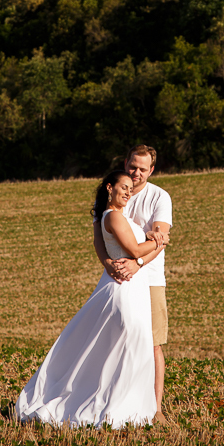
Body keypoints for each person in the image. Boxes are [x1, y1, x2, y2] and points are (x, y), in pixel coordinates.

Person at [16, 170, 166, 428]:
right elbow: (134, 250)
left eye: (131, 188)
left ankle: (134, 407)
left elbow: (137, 246)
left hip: (136, 287)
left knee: (134, 347)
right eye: (124, 187)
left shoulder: (122, 217)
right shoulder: (114, 216)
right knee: (130, 344)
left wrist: (150, 240)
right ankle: (113, 408)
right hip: (124, 290)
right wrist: (159, 243)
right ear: (110, 188)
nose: (129, 192)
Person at [93, 144, 172, 425]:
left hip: (149, 280)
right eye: (132, 166)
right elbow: (98, 239)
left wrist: (137, 264)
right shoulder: (115, 195)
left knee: (151, 344)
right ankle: (116, 401)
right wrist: (107, 264)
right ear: (126, 163)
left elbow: (160, 241)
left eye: (142, 169)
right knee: (117, 342)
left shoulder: (159, 197)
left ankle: (156, 408)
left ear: (152, 170)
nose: (136, 173)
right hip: (120, 282)